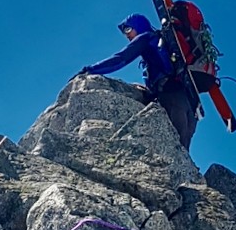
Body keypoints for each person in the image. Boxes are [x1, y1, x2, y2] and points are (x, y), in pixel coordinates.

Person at [81, 14, 197, 151]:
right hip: (188, 99)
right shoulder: (160, 42)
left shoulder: (146, 38)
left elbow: (120, 59)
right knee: (183, 146)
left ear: (138, 26)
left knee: (176, 149)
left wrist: (90, 70)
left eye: (128, 29)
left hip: (171, 96)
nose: (127, 35)